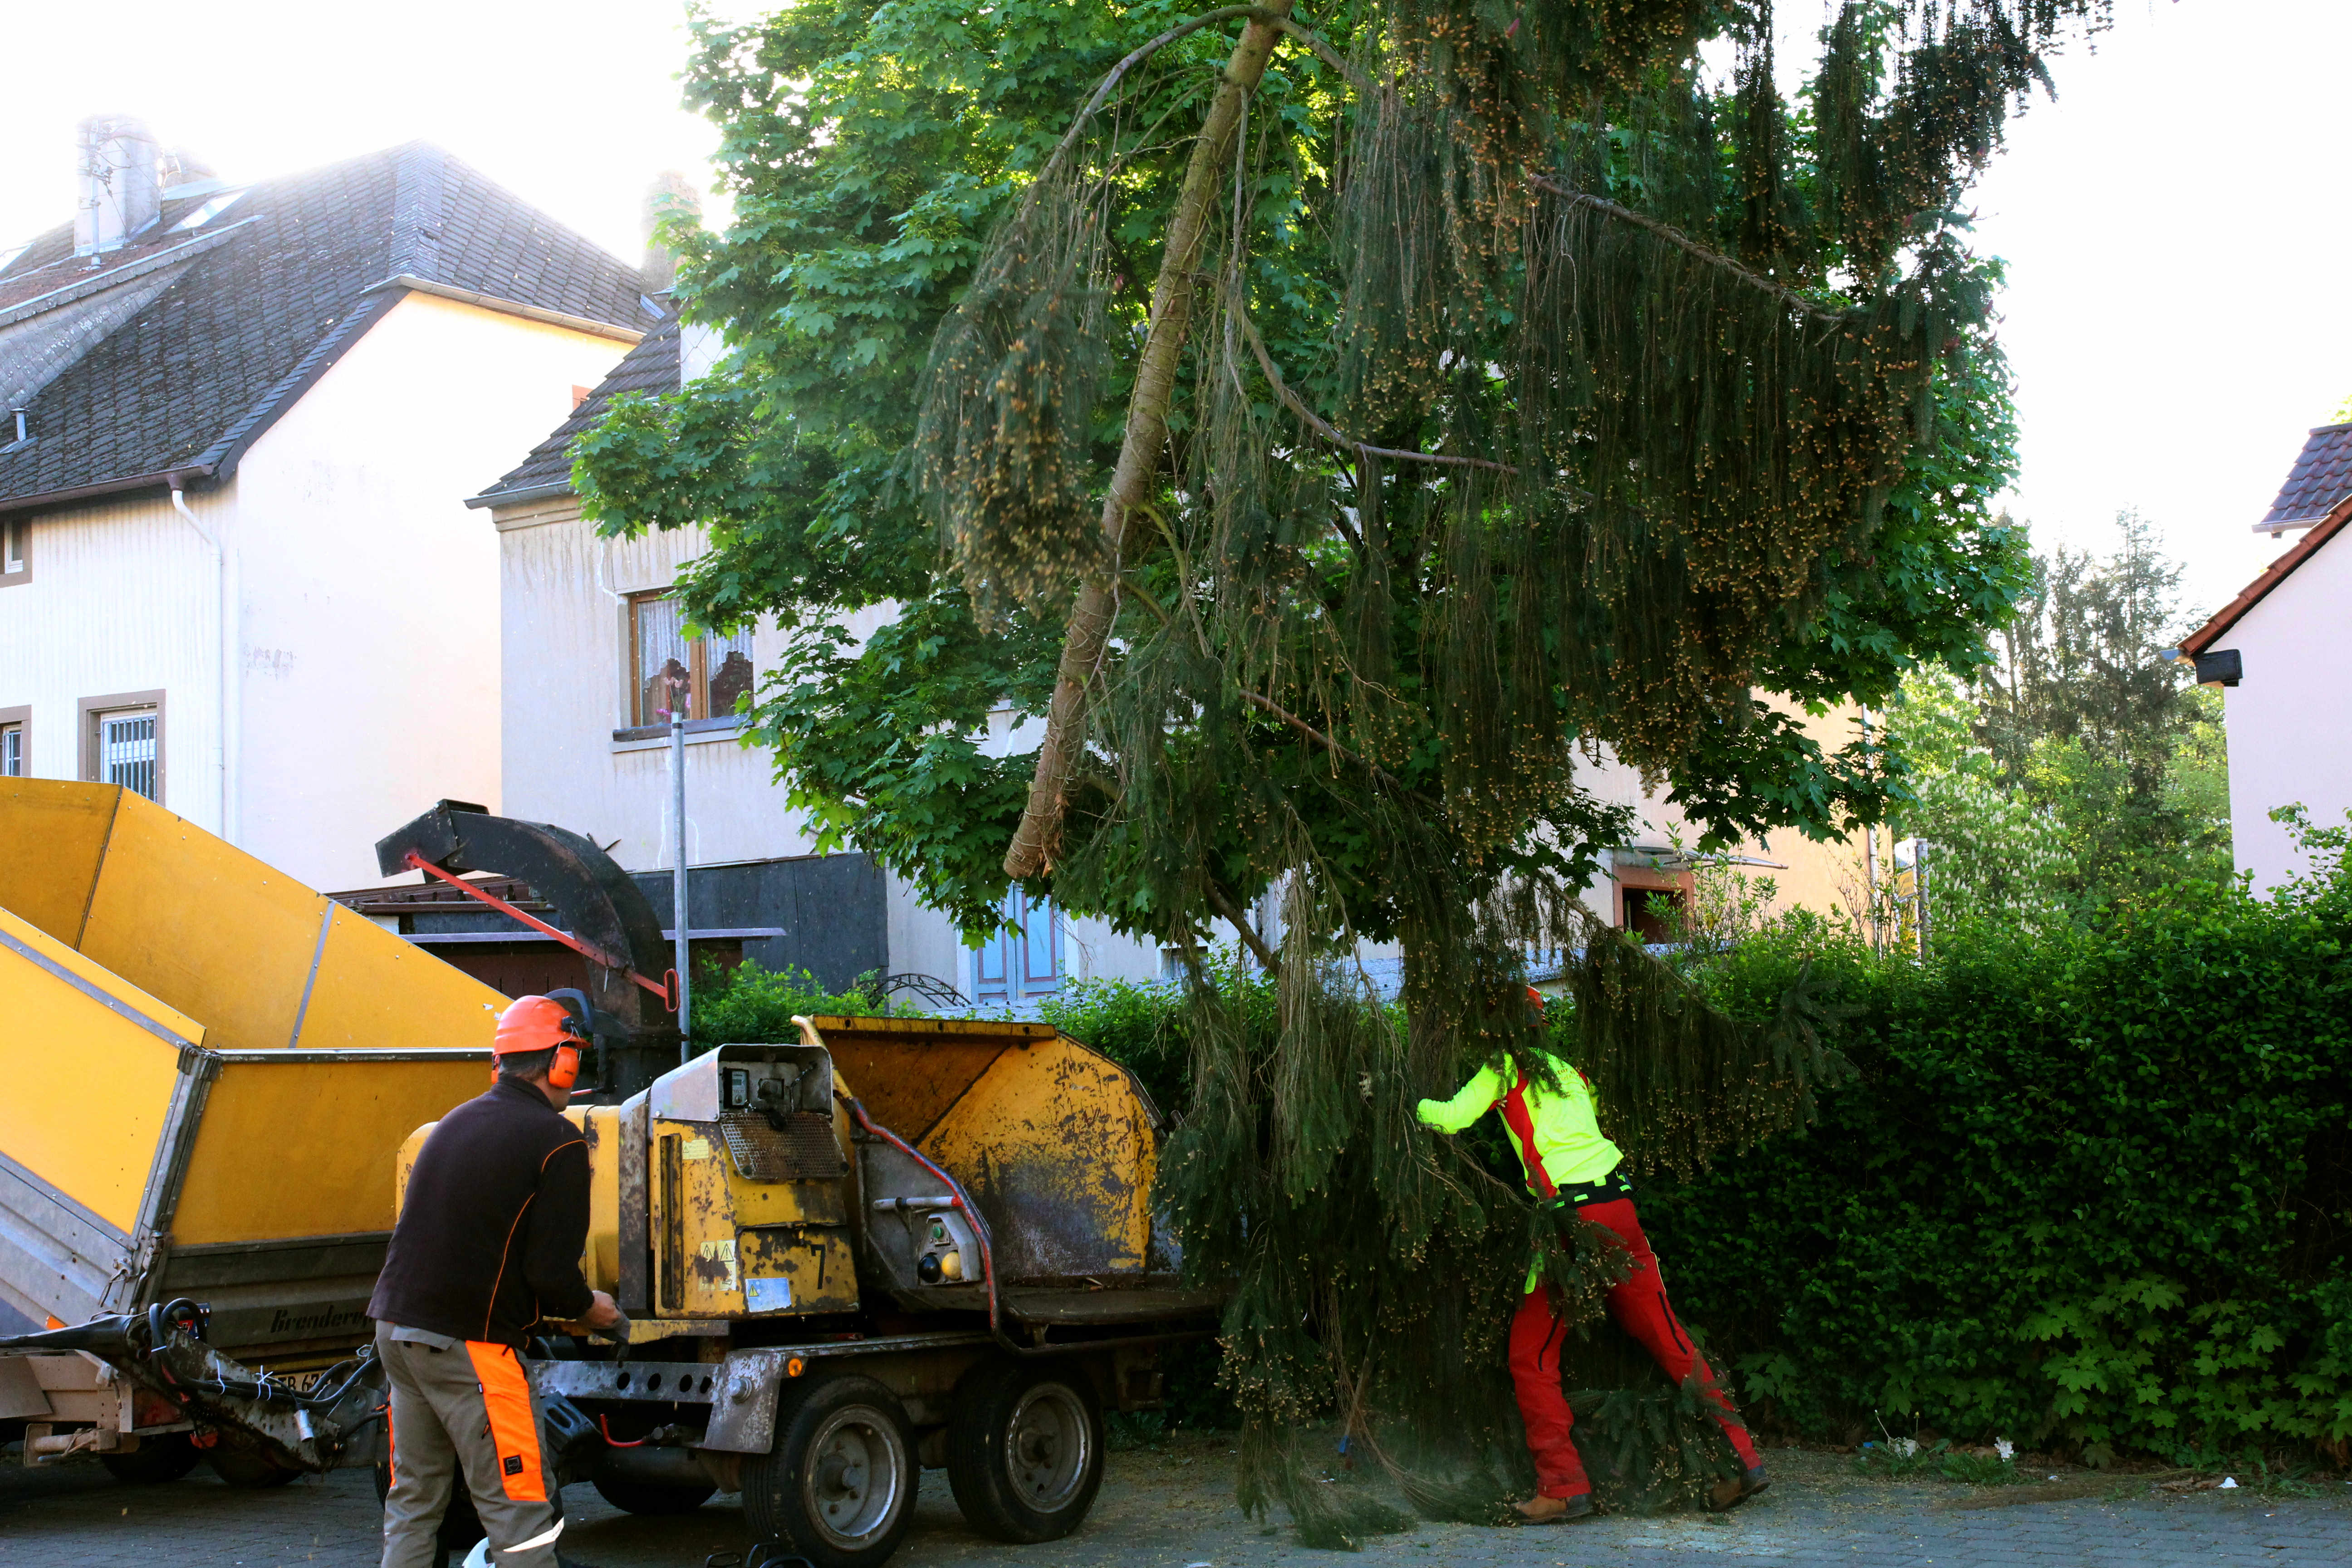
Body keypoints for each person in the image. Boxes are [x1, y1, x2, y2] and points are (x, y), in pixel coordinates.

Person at [1415, 987, 1766, 1522]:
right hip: (1620, 1206)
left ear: (1497, 1031)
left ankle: (1563, 1486)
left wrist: (1403, 1101)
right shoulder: (1572, 1072)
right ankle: (1744, 1457)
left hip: (1569, 1222)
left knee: (1531, 1356)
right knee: (1669, 1337)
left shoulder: (1504, 1068)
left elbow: (1452, 1118)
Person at [368, 993, 623, 1568]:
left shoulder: (456, 1122)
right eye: (574, 1056)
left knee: (414, 1501)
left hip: (397, 1332)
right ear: (562, 1063)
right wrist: (597, 1310)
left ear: (501, 1062)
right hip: (471, 1345)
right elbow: (552, 1277)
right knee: (520, 1514)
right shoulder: (557, 1140)